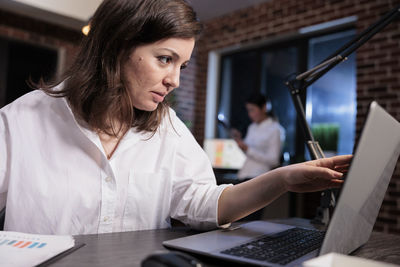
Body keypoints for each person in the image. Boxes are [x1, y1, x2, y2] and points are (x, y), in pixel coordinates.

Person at [0, 0, 352, 235]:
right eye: (165, 59)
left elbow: (204, 203)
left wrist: (283, 180)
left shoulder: (167, 127)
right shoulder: (19, 122)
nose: (175, 80)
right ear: (115, 48)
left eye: (182, 66)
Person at [232, 93, 285, 180]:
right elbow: (248, 153)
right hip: (243, 174)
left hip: (259, 177)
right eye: (248, 110)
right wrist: (240, 141)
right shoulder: (252, 127)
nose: (250, 114)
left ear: (264, 108)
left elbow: (274, 160)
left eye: (252, 110)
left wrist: (247, 149)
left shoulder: (276, 129)